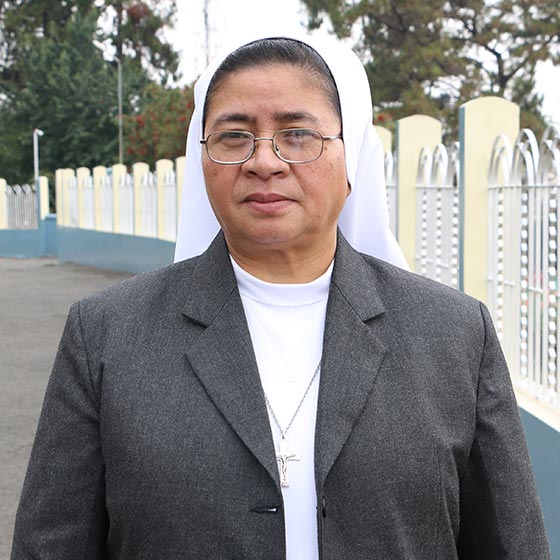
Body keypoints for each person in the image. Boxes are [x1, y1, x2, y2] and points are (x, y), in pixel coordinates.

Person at [11, 34, 550, 560]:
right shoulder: (107, 335)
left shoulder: (454, 334)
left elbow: (511, 543)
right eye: (233, 136)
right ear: (202, 159)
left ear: (350, 159)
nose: (264, 162)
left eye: (297, 134)